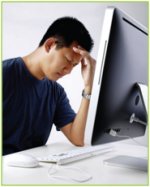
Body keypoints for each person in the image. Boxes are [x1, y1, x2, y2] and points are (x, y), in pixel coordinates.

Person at [3, 16, 96, 155]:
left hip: (33, 171)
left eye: (75, 65)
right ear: (50, 44)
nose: (69, 71)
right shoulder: (5, 74)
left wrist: (88, 86)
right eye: (68, 60)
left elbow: (77, 139)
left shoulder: (55, 92)